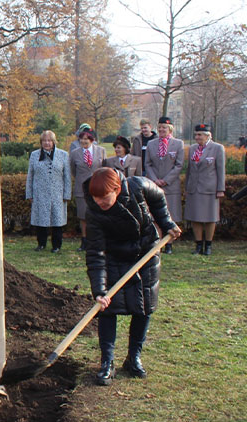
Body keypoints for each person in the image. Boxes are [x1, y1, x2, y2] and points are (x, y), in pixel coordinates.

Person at [84, 167, 181, 386]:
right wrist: (99, 291)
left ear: (117, 189)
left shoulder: (138, 186)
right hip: (115, 258)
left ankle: (133, 358)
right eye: (96, 198)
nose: (100, 203)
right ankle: (107, 362)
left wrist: (166, 223)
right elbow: (96, 253)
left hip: (146, 253)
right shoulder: (95, 212)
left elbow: (158, 197)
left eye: (104, 198)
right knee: (107, 309)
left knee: (144, 305)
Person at [25, 130, 71, 252]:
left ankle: (56, 245)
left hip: (57, 194)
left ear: (54, 142)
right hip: (39, 193)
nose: (47, 143)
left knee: (57, 220)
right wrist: (29, 194)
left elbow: (67, 177)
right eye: (44, 140)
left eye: (49, 140)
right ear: (41, 142)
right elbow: (30, 176)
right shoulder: (34, 155)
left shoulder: (63, 155)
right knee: (41, 220)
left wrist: (67, 194)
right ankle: (41, 244)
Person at [184, 124, 225, 256]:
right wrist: (186, 187)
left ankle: (208, 245)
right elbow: (189, 170)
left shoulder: (217, 148)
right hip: (194, 188)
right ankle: (198, 244)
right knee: (195, 217)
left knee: (209, 218)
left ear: (208, 135)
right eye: (196, 135)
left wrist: (220, 189)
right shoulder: (193, 149)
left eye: (200, 135)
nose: (197, 137)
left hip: (209, 188)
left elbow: (220, 170)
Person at [144, 116, 184, 254]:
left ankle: (169, 244)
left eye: (164, 127)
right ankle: (158, 242)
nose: (161, 129)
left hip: (170, 185)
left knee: (170, 215)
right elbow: (147, 164)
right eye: (160, 127)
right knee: (155, 214)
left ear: (170, 129)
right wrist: (155, 180)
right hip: (154, 184)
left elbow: (179, 165)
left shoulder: (178, 144)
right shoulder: (151, 144)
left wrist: (166, 180)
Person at [69, 128, 106, 251]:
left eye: (86, 139)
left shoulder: (101, 151)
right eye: (81, 139)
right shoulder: (74, 153)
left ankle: (98, 241)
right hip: (82, 188)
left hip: (98, 188)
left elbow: (105, 169)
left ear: (92, 140)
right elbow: (73, 171)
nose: (83, 141)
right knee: (83, 216)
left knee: (98, 215)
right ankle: (84, 241)